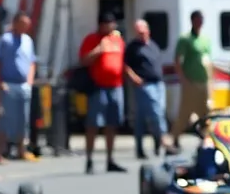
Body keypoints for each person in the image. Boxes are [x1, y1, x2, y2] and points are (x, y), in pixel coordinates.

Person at [79, 13, 126, 174]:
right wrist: (99, 50)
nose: (110, 27)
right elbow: (84, 60)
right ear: (100, 25)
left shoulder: (118, 40)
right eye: (107, 24)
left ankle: (110, 159)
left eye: (112, 24)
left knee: (112, 124)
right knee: (93, 124)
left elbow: (122, 62)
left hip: (116, 86)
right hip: (98, 87)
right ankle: (90, 159)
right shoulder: (92, 39)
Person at [123, 18, 174, 159]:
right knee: (156, 112)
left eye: (143, 31)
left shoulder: (153, 45)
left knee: (143, 117)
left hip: (158, 83)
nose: (141, 34)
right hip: (144, 85)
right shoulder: (133, 47)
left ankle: (146, 145)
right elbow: (126, 65)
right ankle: (164, 141)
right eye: (138, 32)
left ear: (148, 31)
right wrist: (134, 78)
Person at [0, 12, 38, 164]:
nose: (25, 27)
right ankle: (0, 152)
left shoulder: (28, 41)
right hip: (8, 84)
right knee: (6, 119)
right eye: (23, 23)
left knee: (23, 119)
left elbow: (32, 61)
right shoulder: (6, 40)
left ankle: (21, 150)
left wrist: (30, 81)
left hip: (23, 85)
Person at [171, 10, 212, 149]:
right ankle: (175, 137)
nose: (200, 22)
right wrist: (183, 78)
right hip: (190, 81)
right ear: (192, 21)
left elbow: (208, 60)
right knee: (185, 111)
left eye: (201, 19)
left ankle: (206, 138)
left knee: (205, 112)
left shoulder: (205, 39)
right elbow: (177, 60)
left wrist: (211, 80)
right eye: (197, 20)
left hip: (203, 81)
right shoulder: (185, 39)